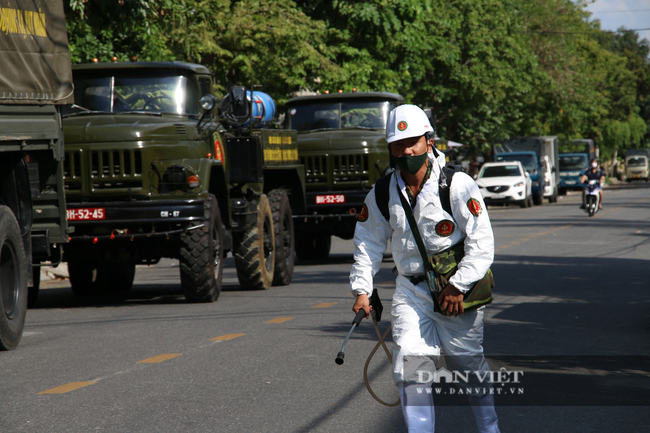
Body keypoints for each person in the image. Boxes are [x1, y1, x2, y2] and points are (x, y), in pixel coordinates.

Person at [349, 105, 499, 433]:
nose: (405, 150)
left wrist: (458, 286)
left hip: (456, 294)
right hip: (411, 292)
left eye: (412, 142)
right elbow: (367, 243)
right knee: (412, 367)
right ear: (389, 148)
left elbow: (482, 244)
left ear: (428, 141)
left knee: (468, 366)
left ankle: (490, 429)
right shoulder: (382, 193)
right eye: (397, 144)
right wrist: (362, 289)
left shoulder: (457, 185)